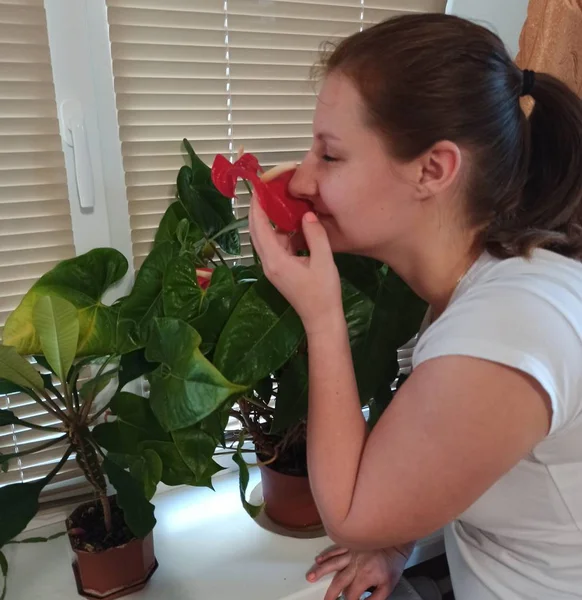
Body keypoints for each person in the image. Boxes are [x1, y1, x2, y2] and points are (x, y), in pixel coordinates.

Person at [248, 13, 582, 600]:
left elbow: (350, 517)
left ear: (433, 170)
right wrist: (399, 537)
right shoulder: (478, 281)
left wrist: (321, 314)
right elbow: (461, 449)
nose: (301, 180)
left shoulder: (511, 322)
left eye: (330, 156)